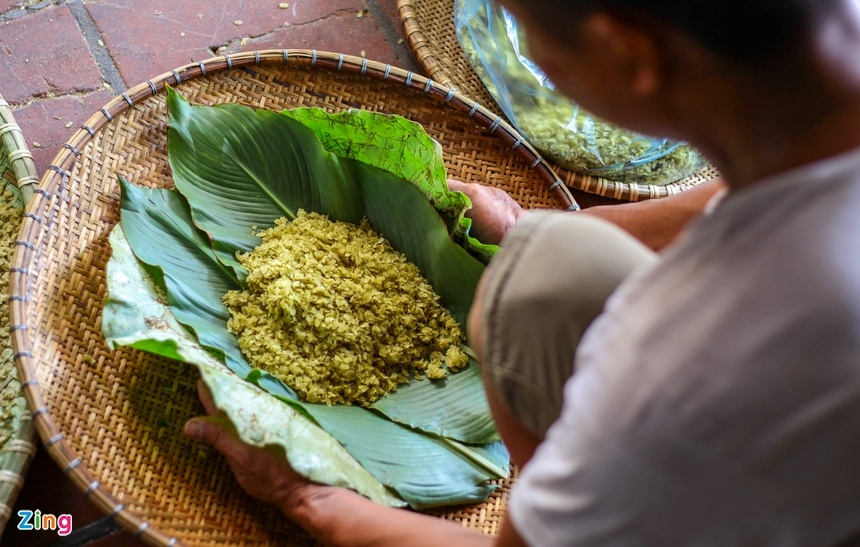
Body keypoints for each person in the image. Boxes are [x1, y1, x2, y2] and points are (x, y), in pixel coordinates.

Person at [184, 0, 860, 543]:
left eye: (528, 30)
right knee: (546, 264)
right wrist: (522, 228)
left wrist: (306, 494)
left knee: (527, 289)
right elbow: (733, 199)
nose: (527, 54)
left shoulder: (675, 376)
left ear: (630, 52)